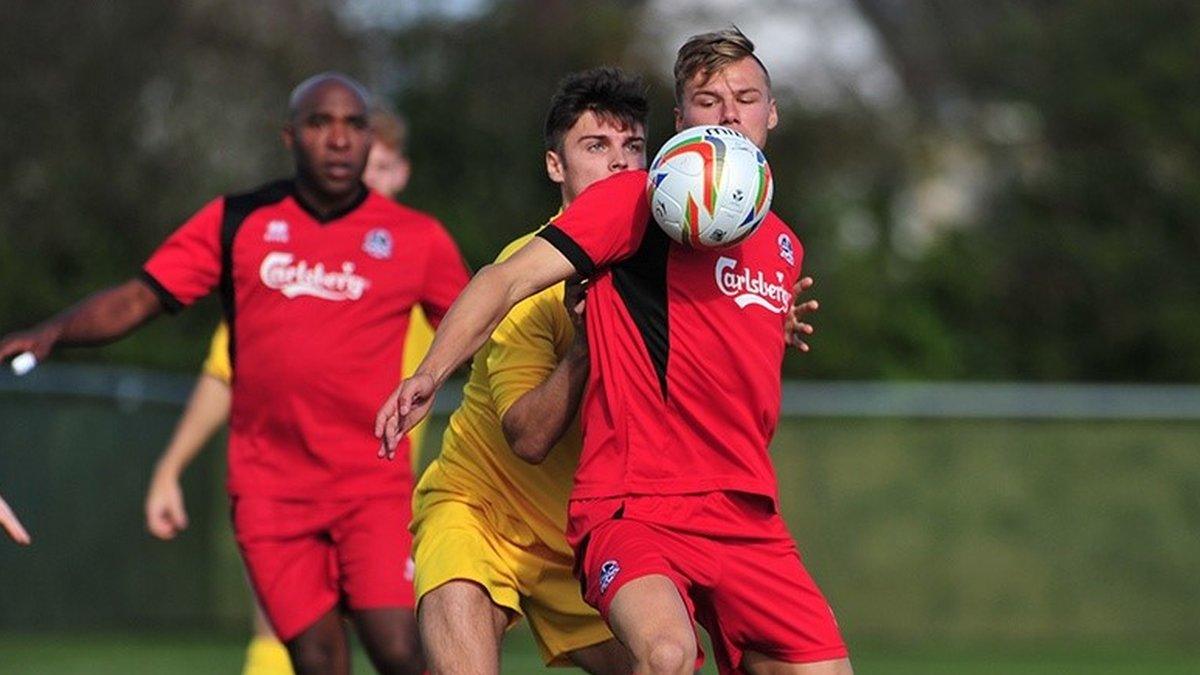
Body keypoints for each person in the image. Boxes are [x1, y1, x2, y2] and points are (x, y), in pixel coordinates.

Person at [376, 30, 849, 675]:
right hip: (507, 510)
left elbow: (703, 343)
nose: (731, 114)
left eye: (747, 98)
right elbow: (525, 417)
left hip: (676, 515)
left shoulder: (779, 244)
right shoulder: (633, 211)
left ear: (772, 112)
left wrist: (768, 317)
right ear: (684, 123)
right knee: (662, 655)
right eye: (710, 101)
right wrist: (432, 371)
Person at [0, 72, 470, 675]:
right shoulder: (238, 221)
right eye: (320, 123)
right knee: (316, 658)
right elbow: (141, 297)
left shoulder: (415, 239)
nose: (338, 139)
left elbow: (477, 325)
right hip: (270, 490)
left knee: (400, 649)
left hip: (370, 484)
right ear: (289, 136)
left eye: (354, 125)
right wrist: (53, 333)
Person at [140, 106, 438, 675]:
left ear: (400, 172)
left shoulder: (418, 257)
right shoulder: (285, 261)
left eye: (378, 165)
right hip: (287, 487)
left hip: (385, 499)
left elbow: (487, 354)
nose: (363, 174)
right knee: (284, 639)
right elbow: (224, 373)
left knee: (402, 648)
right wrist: (170, 467)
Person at [412, 67, 652, 675]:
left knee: (666, 660)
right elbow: (528, 438)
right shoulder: (528, 275)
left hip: (584, 538)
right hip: (481, 510)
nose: (618, 164)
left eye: (632, 147)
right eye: (595, 147)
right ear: (555, 166)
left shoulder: (665, 275)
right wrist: (585, 346)